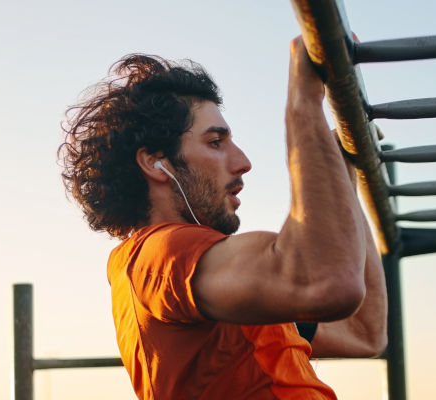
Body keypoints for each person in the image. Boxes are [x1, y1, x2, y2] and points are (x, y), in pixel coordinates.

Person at [58, 37, 387, 400]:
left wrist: (338, 169)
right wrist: (303, 102)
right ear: (155, 162)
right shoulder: (159, 252)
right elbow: (327, 281)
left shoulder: (222, 284)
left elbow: (362, 331)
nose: (243, 162)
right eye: (215, 142)